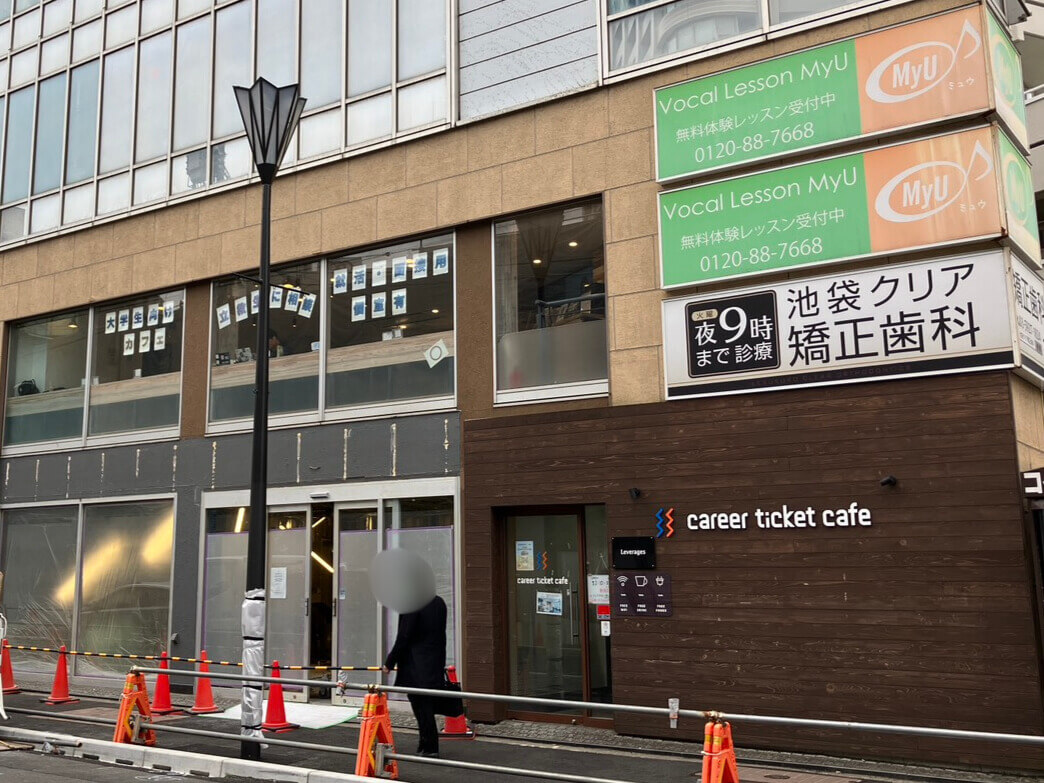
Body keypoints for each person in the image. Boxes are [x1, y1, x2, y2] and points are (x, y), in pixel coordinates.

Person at [382, 594, 447, 757]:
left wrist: (390, 661)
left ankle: (429, 746)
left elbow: (404, 635)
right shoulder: (439, 602)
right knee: (426, 706)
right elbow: (441, 634)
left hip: (415, 665)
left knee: (421, 707)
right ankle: (425, 744)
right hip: (433, 662)